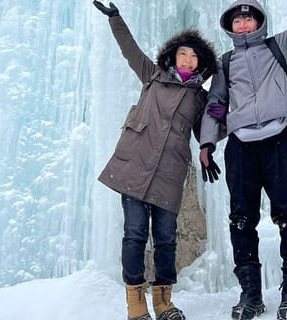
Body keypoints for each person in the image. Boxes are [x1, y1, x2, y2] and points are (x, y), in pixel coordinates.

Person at [197, 0, 287, 319]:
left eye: (248, 19)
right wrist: (206, 142)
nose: (243, 24)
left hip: (280, 140)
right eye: (237, 21)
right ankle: (251, 295)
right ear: (230, 27)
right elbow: (217, 103)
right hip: (241, 145)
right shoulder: (226, 63)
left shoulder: (280, 47)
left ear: (259, 21)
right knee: (241, 218)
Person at [93, 1, 220, 320]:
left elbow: (212, 126)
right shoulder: (151, 75)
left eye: (195, 56)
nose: (188, 59)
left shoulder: (199, 98)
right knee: (134, 233)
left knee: (165, 240)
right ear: (173, 56)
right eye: (183, 53)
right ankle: (136, 306)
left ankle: (163, 302)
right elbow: (129, 49)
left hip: (169, 174)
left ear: (201, 63)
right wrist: (115, 19)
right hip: (134, 167)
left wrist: (228, 106)